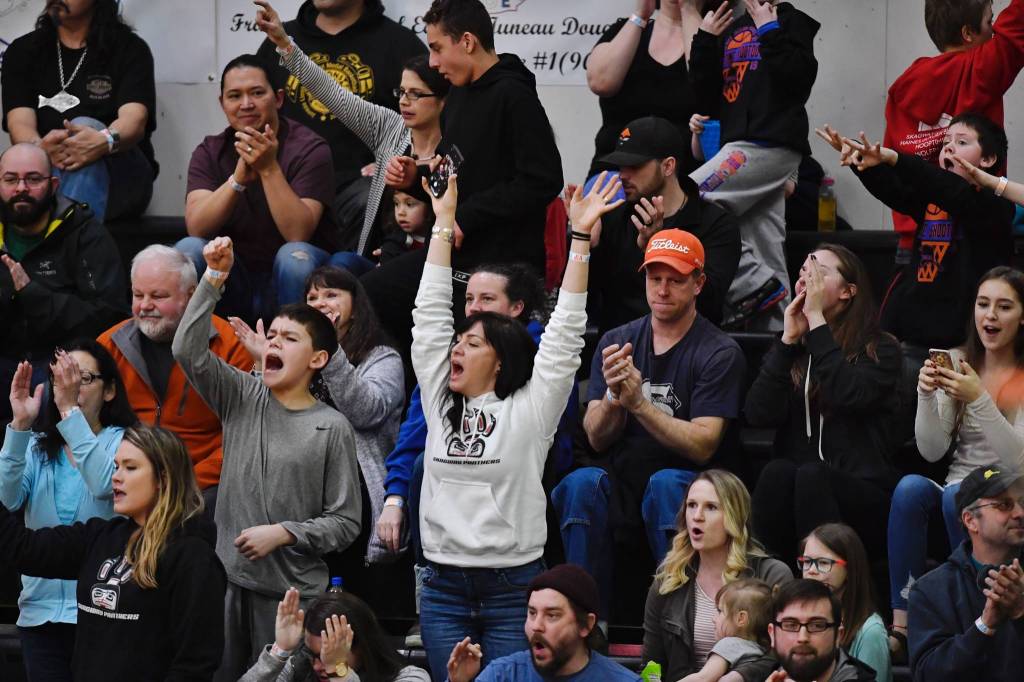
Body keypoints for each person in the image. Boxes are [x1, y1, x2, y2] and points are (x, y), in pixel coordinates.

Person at [412, 171, 619, 679]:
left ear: (500, 361)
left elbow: (566, 331)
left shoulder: (531, 407)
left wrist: (579, 241)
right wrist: (442, 221)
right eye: (457, 341)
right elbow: (429, 315)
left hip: (512, 591)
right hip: (440, 588)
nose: (455, 347)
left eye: (471, 344)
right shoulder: (440, 396)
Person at [171, 236, 362, 680]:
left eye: (289, 338)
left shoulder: (332, 427)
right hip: (226, 585)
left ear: (317, 358)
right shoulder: (241, 394)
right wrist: (213, 278)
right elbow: (186, 349)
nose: (274, 342)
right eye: (272, 335)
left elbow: (346, 522)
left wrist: (285, 533)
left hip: (292, 599)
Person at [555, 229, 746, 614]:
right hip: (624, 476)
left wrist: (639, 404)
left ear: (699, 283)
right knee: (581, 483)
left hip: (691, 482)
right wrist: (612, 397)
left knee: (665, 486)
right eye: (654, 278)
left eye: (675, 280)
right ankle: (583, 621)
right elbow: (595, 437)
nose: (662, 289)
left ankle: (681, 620)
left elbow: (703, 443)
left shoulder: (719, 351)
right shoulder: (618, 339)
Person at [369, 0, 563, 349]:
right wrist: (417, 177)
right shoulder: (458, 93)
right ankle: (413, 395)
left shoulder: (513, 94)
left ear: (468, 42)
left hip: (500, 260)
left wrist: (468, 218)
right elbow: (456, 167)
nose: (432, 62)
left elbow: (543, 180)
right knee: (369, 294)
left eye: (437, 48)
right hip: (451, 249)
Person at [0, 424, 227, 681]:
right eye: (117, 466)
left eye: (130, 468)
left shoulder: (193, 558)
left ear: (163, 478)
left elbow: (193, 665)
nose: (116, 477)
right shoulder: (101, 536)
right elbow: (25, 549)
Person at [888, 266, 1024, 661]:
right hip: (957, 484)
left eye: (1004, 307)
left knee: (955, 499)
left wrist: (978, 398)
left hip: (1010, 491)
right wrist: (927, 395)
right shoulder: (960, 359)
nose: (990, 316)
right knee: (910, 488)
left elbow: (1016, 459)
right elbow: (931, 450)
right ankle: (903, 623)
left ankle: (968, 604)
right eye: (983, 305)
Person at [229, 265, 404, 567]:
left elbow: (366, 412)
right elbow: (260, 418)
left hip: (353, 483)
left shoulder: (382, 357)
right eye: (312, 297)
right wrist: (264, 364)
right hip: (294, 476)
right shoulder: (292, 356)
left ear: (357, 306)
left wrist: (329, 350)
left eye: (331, 294)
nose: (320, 302)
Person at [256, 0, 444, 263]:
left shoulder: (458, 141)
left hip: (436, 261)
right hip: (377, 261)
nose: (403, 102)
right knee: (342, 265)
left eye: (416, 94)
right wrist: (285, 44)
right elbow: (331, 93)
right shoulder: (390, 127)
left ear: (443, 100)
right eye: (400, 93)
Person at [747, 245, 901, 563]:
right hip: (802, 486)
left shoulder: (880, 349)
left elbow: (850, 395)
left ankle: (825, 592)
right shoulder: (795, 349)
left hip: (863, 490)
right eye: (804, 271)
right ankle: (762, 586)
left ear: (848, 292)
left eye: (819, 272)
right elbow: (758, 413)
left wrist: (816, 320)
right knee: (778, 471)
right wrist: (788, 341)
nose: (807, 278)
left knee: (812, 476)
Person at [817, 115, 1014, 363]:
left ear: (988, 159)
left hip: (964, 346)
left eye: (962, 142)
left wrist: (895, 158)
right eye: (945, 142)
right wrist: (860, 159)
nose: (949, 147)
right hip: (915, 338)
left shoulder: (995, 205)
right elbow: (895, 191)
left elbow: (949, 189)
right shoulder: (932, 201)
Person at [0, 343, 136, 682]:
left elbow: (106, 485)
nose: (70, 387)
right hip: (40, 612)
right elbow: (8, 499)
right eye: (62, 378)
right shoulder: (36, 444)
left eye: (82, 378)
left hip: (104, 611)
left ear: (110, 391)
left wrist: (69, 415)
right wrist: (19, 426)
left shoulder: (127, 443)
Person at [687, 0, 820, 331]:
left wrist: (768, 29)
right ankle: (782, 335)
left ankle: (753, 284)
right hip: (739, 144)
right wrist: (704, 41)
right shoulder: (732, 27)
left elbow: (798, 81)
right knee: (764, 239)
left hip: (768, 143)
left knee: (685, 198)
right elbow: (704, 96)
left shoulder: (791, 20)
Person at [179, 53, 340, 323]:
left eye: (256, 93)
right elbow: (197, 228)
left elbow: (297, 233)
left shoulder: (310, 148)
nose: (246, 104)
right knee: (189, 249)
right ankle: (200, 355)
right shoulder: (210, 151)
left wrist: (268, 168)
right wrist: (238, 179)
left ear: (277, 98)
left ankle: (295, 354)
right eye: (234, 96)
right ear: (222, 103)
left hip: (295, 275)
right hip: (235, 275)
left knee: (293, 257)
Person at [97, 245, 252, 518]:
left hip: (201, 485)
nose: (145, 306)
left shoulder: (231, 346)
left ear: (191, 296)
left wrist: (185, 484)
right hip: (123, 477)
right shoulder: (109, 345)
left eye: (158, 296)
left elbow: (244, 437)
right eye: (137, 295)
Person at [883, 0, 1024, 257]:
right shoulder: (981, 69)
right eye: (989, 22)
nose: (994, 32)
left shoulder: (903, 87)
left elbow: (892, 168)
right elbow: (1018, 22)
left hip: (914, 244)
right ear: (968, 33)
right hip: (973, 240)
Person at [0, 142, 128, 427]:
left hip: (60, 359)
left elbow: (110, 315)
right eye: (11, 179)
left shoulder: (84, 232)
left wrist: (32, 295)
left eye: (33, 179)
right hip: (5, 355)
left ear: (53, 184)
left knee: (51, 397)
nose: (21, 188)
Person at [1, 0, 157, 222]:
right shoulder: (23, 51)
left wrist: (102, 141)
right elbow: (20, 125)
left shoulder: (129, 49)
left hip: (121, 176)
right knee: (30, 161)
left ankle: (64, 245)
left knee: (85, 127)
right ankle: (72, 246)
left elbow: (134, 121)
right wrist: (41, 152)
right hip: (49, 171)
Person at [588, 116, 741, 332]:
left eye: (634, 165)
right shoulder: (613, 219)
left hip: (689, 354)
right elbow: (588, 302)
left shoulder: (716, 224)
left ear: (668, 166)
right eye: (621, 166)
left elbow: (710, 303)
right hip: (620, 351)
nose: (623, 174)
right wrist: (583, 243)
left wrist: (659, 250)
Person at [643, 469, 793, 681]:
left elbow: (783, 651)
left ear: (734, 516)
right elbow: (651, 664)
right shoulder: (668, 580)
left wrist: (739, 676)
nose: (697, 517)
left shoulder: (771, 574)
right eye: (691, 505)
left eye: (711, 507)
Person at [908, 465, 1024, 681]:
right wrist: (984, 626)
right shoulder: (930, 591)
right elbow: (927, 675)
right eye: (1005, 505)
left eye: (1022, 502)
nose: (1020, 513)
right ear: (970, 520)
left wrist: (1020, 613)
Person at [445, 564, 639, 682]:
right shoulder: (502, 675)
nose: (536, 625)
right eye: (531, 613)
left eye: (552, 615)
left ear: (586, 625)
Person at [586, 0, 704, 179]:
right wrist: (640, 15)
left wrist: (688, 10)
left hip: (682, 178)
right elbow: (600, 83)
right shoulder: (626, 29)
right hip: (614, 174)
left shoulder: (720, 37)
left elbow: (707, 84)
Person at [241, 587, 429, 681]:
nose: (319, 666)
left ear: (361, 645)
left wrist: (339, 670)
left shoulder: (411, 677)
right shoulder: (302, 667)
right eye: (315, 656)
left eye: (330, 652)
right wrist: (280, 651)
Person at [800, 524, 891, 682]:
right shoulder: (800, 619)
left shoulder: (870, 632)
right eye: (807, 561)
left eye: (823, 563)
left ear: (850, 569)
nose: (811, 570)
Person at [766, 579, 878, 682]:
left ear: (838, 635)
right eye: (790, 625)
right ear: (772, 634)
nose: (803, 638)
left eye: (817, 626)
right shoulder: (756, 675)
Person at [679, 578, 773, 682]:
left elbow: (703, 678)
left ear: (741, 618)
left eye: (720, 611)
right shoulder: (762, 649)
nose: (713, 618)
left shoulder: (729, 645)